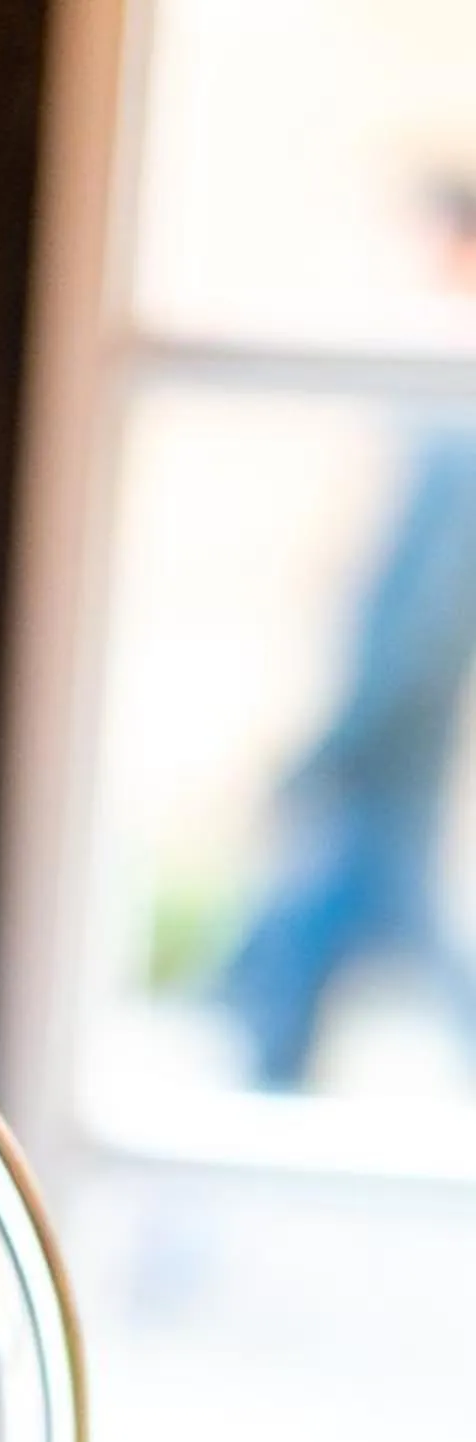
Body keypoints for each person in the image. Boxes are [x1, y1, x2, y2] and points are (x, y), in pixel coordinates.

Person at [217, 176, 476, 1090]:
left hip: (388, 759)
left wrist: (333, 747)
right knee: (296, 954)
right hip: (388, 763)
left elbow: (420, 627)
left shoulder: (453, 423)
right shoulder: (434, 414)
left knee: (294, 952)